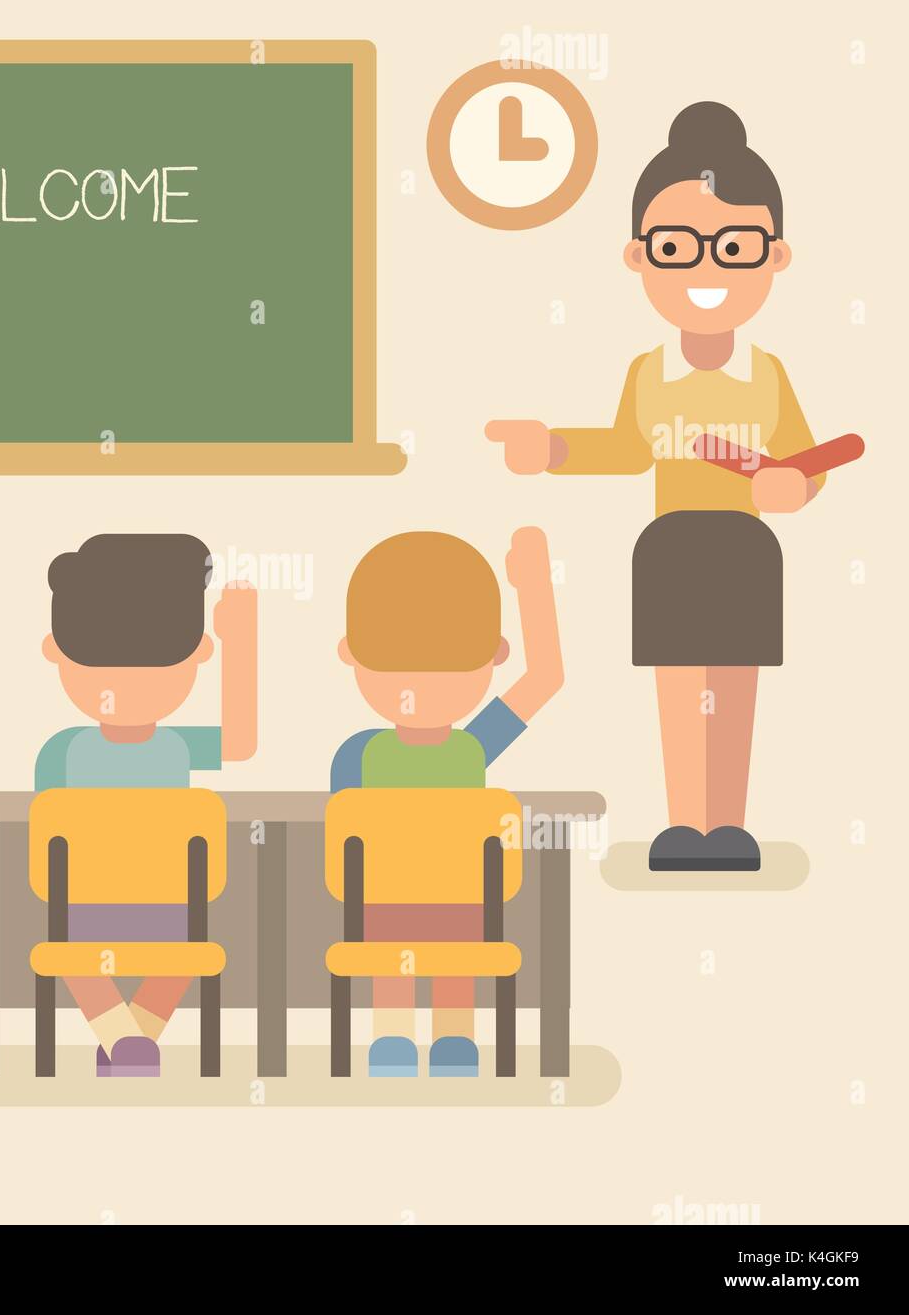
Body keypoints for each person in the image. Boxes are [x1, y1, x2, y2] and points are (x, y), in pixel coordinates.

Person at [487, 102, 825, 871]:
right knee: (678, 689)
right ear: (640, 258)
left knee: (733, 689)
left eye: (734, 247)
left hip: (745, 545)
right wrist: (553, 449)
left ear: (775, 258)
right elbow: (628, 450)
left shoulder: (767, 374)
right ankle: (684, 825)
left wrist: (793, 489)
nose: (707, 268)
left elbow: (808, 458)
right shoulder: (648, 372)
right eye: (679, 247)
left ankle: (729, 827)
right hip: (670, 545)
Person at [331, 527, 562, 1077]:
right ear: (495, 655)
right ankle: (455, 1039)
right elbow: (546, 677)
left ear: (350, 653)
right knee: (457, 943)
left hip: (380, 916)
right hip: (464, 915)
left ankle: (391, 1039)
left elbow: (343, 844)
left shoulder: (357, 758)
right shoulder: (472, 751)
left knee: (393, 945)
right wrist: (533, 583)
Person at [34, 534, 257, 1079]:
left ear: (55, 652)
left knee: (77, 959)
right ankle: (129, 1042)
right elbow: (241, 740)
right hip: (170, 914)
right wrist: (243, 643)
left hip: (84, 915)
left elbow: (47, 841)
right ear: (200, 653)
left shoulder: (59, 753)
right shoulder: (178, 747)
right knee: (179, 957)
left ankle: (121, 1040)